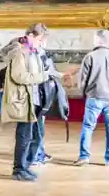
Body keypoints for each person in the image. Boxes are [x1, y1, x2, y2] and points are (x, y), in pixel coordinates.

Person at [74, 29, 109, 166]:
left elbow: (82, 80)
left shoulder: (90, 57)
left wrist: (85, 93)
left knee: (87, 127)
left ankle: (84, 156)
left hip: (94, 96)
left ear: (97, 40)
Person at [1, 24, 48, 182]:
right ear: (31, 36)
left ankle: (25, 167)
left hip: (32, 99)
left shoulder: (33, 52)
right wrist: (42, 77)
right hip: (22, 99)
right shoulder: (19, 52)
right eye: (40, 40)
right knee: (24, 136)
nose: (41, 43)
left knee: (33, 136)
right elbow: (20, 76)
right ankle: (19, 169)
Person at [33, 32, 65, 165]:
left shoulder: (37, 55)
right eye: (42, 39)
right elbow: (47, 73)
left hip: (38, 95)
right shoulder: (38, 55)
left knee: (37, 126)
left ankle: (38, 152)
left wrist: (62, 74)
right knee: (37, 126)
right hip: (38, 96)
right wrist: (61, 74)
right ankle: (36, 155)